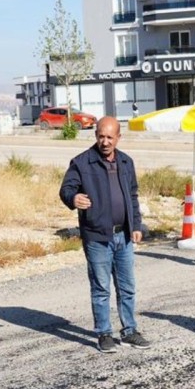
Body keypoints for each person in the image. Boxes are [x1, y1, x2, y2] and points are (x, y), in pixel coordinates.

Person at [59, 117, 151, 353]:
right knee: (101, 288)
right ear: (96, 135)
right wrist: (73, 199)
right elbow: (67, 189)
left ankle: (130, 331)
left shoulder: (125, 162)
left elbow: (132, 196)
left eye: (110, 137)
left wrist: (137, 225)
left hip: (125, 236)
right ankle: (104, 334)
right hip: (97, 236)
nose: (105, 141)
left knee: (127, 287)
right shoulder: (82, 162)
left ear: (118, 137)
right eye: (101, 136)